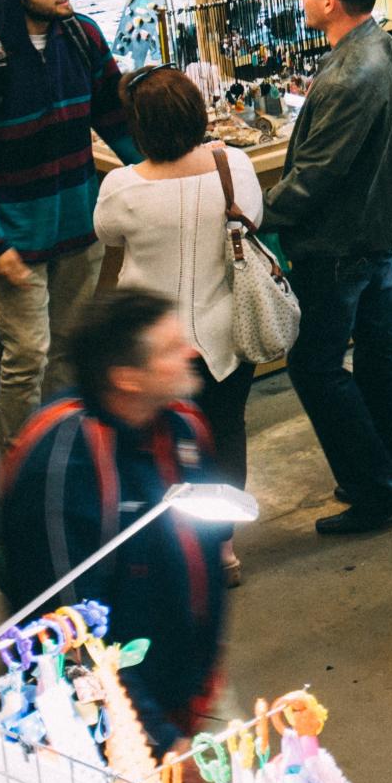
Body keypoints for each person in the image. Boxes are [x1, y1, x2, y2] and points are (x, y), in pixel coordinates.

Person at [0, 289, 226, 748]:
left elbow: (208, 561)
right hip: (105, 725)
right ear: (127, 378)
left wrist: (203, 688)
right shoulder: (64, 465)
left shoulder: (182, 423)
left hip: (192, 702)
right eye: (170, 350)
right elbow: (70, 634)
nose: (192, 352)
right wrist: (155, 739)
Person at [260, 0, 392, 532]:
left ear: (329, 1)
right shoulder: (383, 48)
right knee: (382, 358)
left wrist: (257, 213)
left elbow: (317, 176)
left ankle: (379, 489)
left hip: (338, 246)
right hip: (373, 236)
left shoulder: (354, 73)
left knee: (315, 367)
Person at [94, 67, 262, 580]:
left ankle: (167, 553)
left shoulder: (121, 187)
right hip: (224, 337)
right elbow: (255, 219)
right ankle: (222, 550)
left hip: (152, 350)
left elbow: (108, 237)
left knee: (153, 448)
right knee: (225, 436)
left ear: (138, 126)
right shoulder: (233, 165)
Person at [0, 0, 136, 447]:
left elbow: (113, 117)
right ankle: (18, 470)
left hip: (79, 225)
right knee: (27, 357)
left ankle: (61, 452)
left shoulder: (83, 36)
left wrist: (157, 168)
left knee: (68, 351)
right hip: (16, 238)